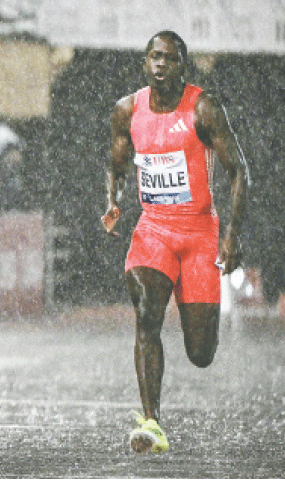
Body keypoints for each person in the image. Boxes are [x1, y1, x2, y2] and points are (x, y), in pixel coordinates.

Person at [101, 31, 248, 454]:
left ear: (183, 64)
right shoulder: (127, 110)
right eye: (153, 57)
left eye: (169, 58)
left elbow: (240, 171)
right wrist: (113, 200)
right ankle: (152, 422)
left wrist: (231, 236)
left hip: (200, 231)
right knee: (146, 311)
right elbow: (115, 163)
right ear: (145, 63)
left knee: (201, 352)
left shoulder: (203, 108)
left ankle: (195, 347)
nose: (160, 65)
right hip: (153, 230)